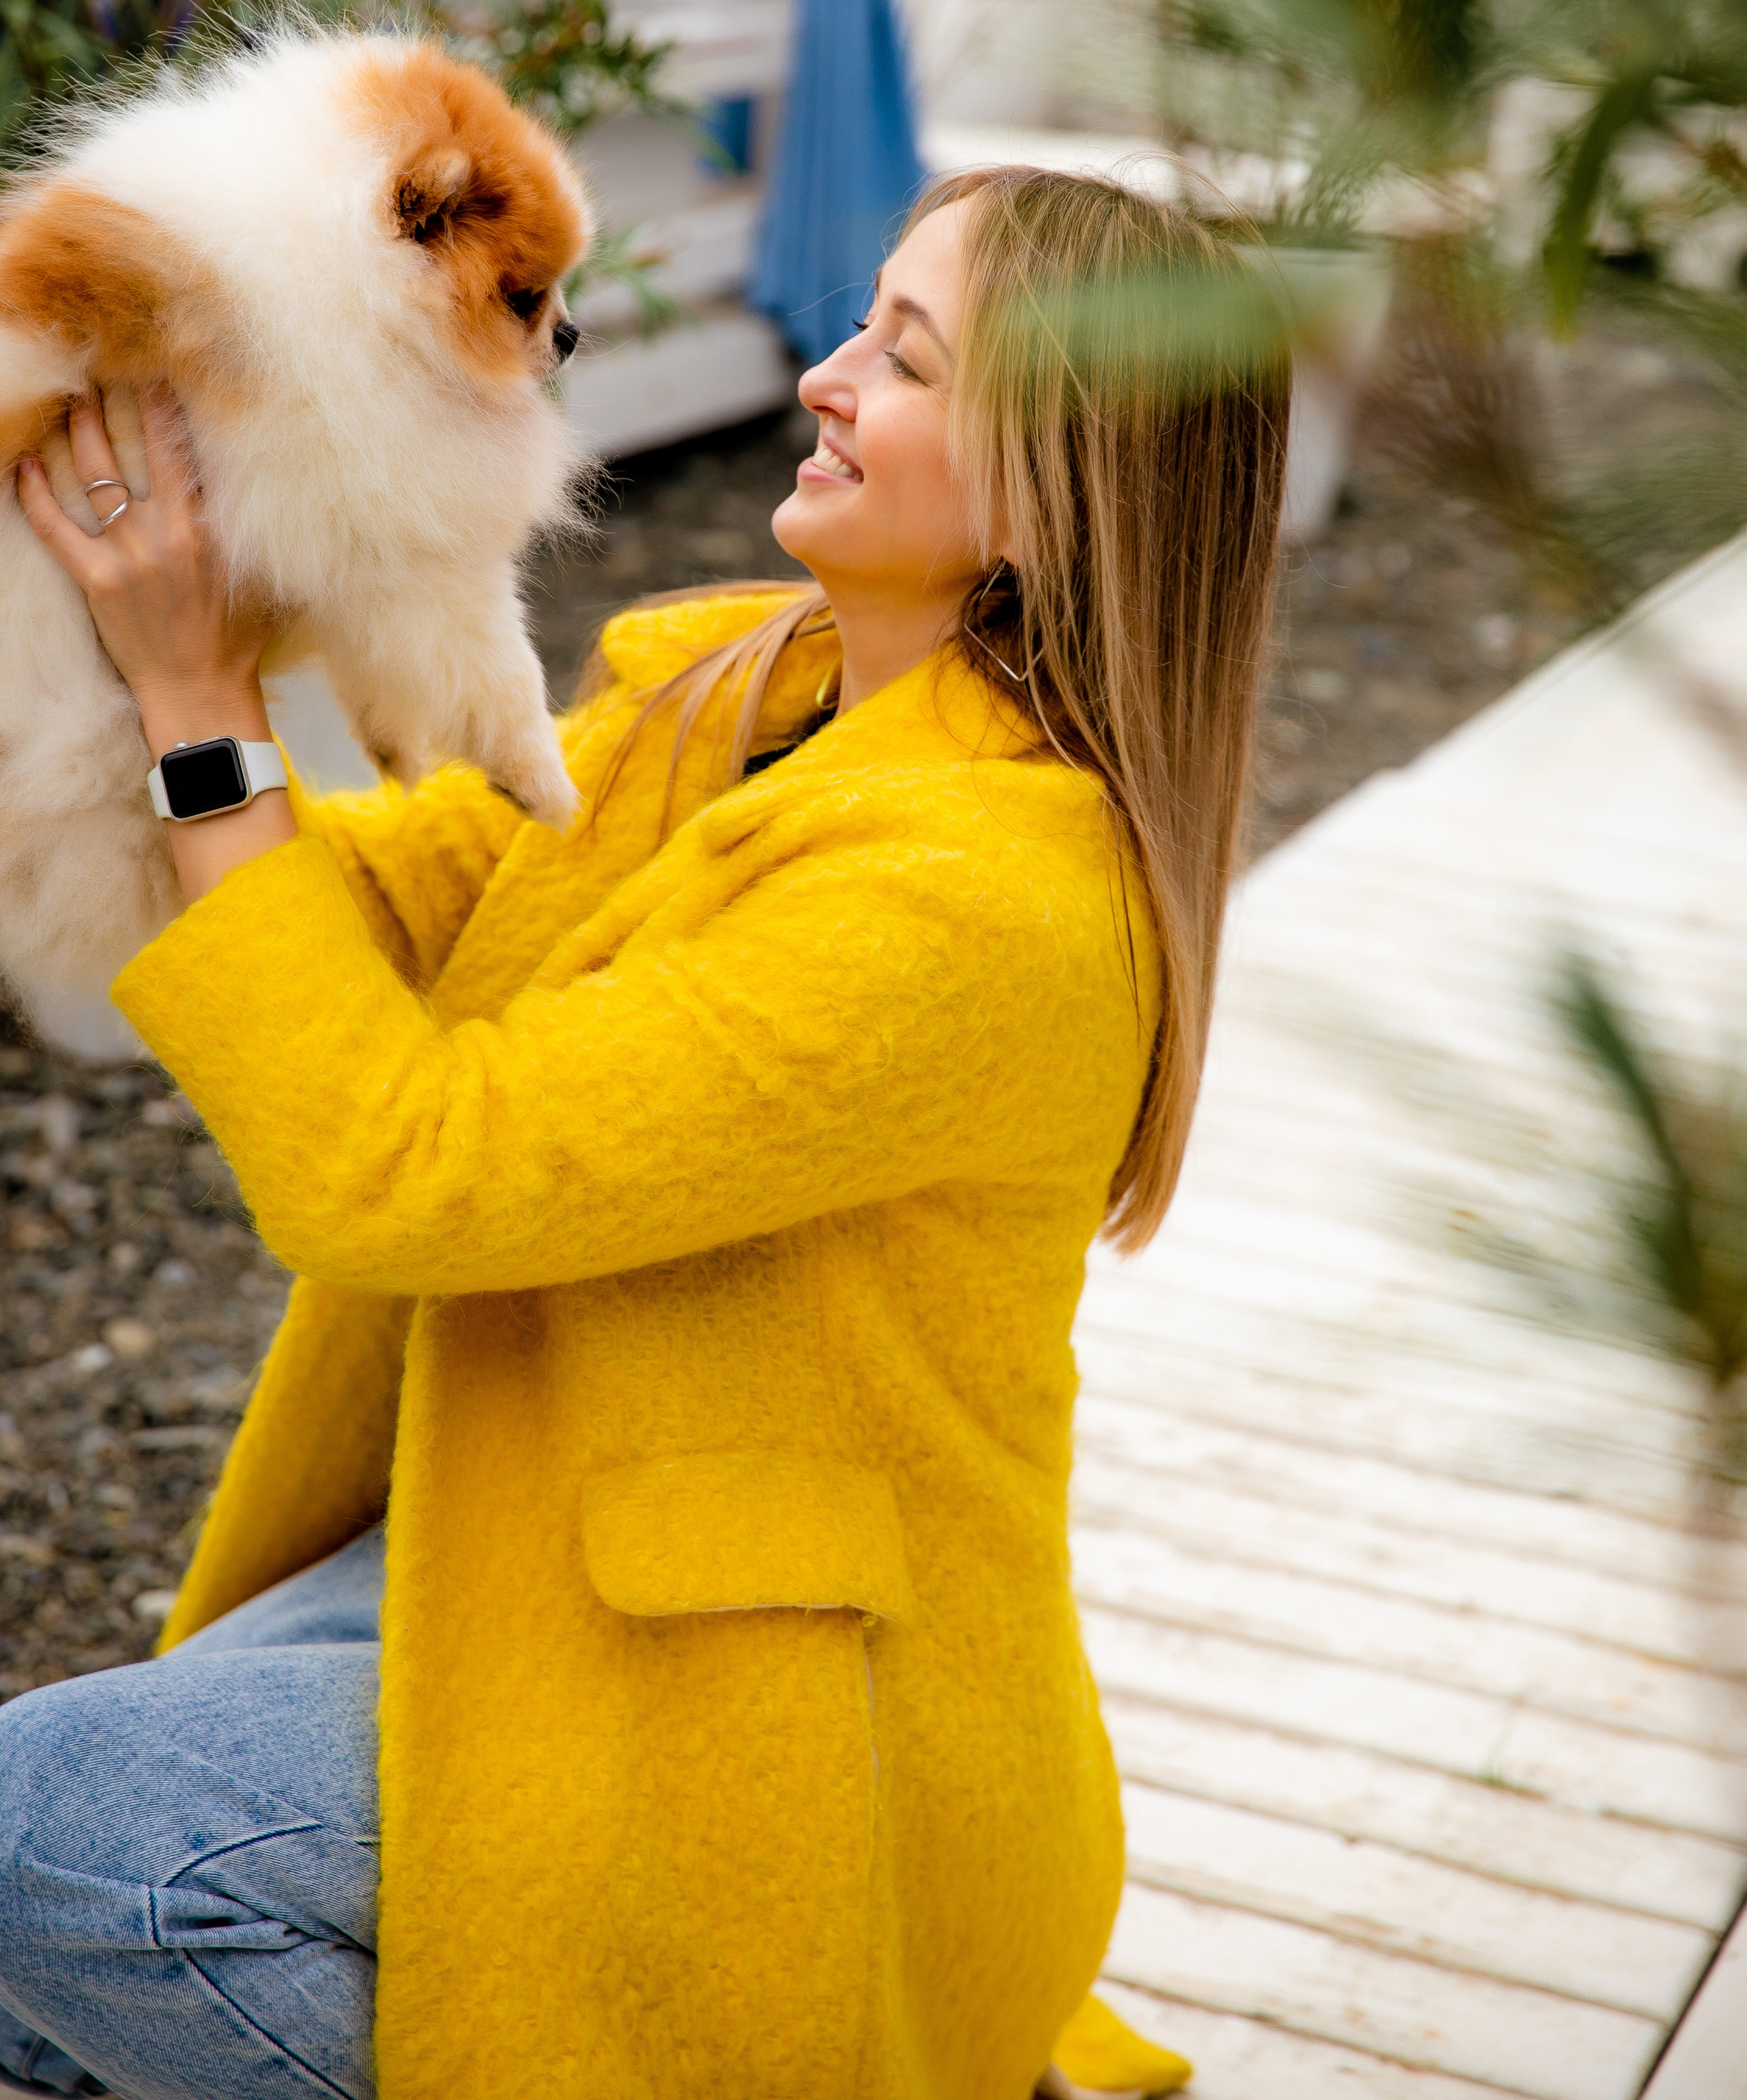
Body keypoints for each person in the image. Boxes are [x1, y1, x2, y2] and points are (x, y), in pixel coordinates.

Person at [0, 166, 1288, 2100]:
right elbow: (386, 900)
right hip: (573, 1523)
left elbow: (408, 1169)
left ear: (1055, 482)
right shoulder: (737, 694)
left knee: (59, 1839)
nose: (828, 376)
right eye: (861, 323)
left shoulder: (983, 899)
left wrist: (201, 705)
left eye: (907, 360)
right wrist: (136, 654)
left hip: (799, 1726)